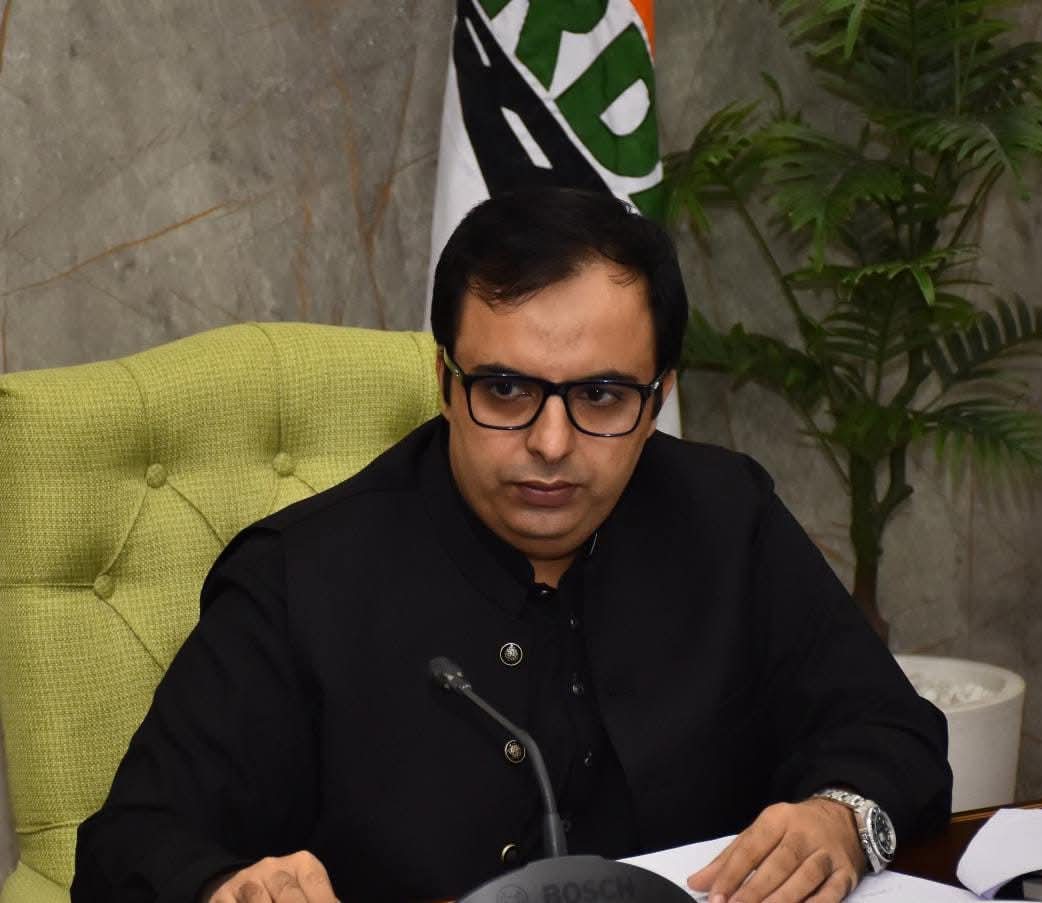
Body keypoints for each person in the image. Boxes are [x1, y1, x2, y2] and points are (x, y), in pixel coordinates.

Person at [72, 188, 951, 903]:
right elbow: (132, 843)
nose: (551, 443)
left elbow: (891, 728)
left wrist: (840, 817)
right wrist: (225, 886)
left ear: (657, 398)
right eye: (504, 389)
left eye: (601, 396)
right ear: (444, 383)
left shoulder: (727, 517)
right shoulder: (300, 579)